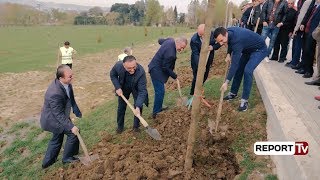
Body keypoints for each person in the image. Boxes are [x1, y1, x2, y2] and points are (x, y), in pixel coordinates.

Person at [213, 27, 268, 111]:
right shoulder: (228, 32)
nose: (220, 43)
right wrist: (228, 54)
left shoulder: (237, 41)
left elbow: (234, 64)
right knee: (239, 69)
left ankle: (244, 101)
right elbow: (230, 42)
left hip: (259, 50)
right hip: (247, 49)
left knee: (247, 71)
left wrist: (226, 82)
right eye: (219, 41)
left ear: (225, 34)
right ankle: (233, 93)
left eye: (221, 40)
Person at [40, 65, 82, 169]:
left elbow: (70, 97)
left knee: (57, 138)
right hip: (52, 120)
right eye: (69, 77)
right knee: (74, 133)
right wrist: (71, 126)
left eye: (72, 75)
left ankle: (47, 162)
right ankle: (67, 158)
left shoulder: (66, 83)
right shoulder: (55, 93)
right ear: (61, 78)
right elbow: (57, 114)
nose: (72, 78)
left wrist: (75, 109)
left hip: (59, 116)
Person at [148, 37, 187, 119]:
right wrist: (174, 76)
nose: (182, 49)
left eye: (183, 48)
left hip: (156, 67)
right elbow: (165, 68)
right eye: (182, 47)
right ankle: (156, 113)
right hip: (156, 71)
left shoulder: (170, 40)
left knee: (160, 91)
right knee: (160, 92)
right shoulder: (171, 54)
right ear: (178, 42)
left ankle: (159, 106)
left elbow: (160, 41)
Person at [110, 55, 148, 133]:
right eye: (129, 68)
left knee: (139, 107)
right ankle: (120, 127)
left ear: (136, 63)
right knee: (121, 107)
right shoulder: (118, 65)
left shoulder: (141, 72)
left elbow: (142, 91)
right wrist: (117, 87)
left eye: (134, 67)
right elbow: (112, 74)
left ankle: (136, 127)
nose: (132, 70)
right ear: (124, 65)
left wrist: (137, 106)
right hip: (124, 87)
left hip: (136, 87)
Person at [188, 24, 221, 106]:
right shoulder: (194, 40)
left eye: (202, 34)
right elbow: (195, 54)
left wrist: (213, 47)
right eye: (199, 34)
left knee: (205, 76)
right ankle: (193, 93)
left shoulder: (213, 34)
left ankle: (199, 90)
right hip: (197, 61)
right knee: (197, 77)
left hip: (208, 59)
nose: (201, 36)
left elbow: (220, 43)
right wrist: (200, 66)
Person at [297, 0, 320, 78]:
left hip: (313, 31)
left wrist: (315, 31)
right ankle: (304, 68)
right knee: (305, 49)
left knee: (309, 50)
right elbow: (307, 14)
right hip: (307, 29)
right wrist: (303, 23)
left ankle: (309, 71)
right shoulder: (313, 4)